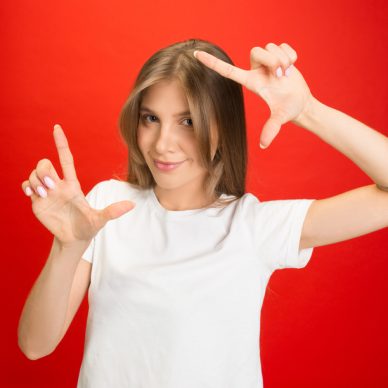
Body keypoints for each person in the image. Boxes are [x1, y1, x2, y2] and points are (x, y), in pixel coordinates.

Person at [17, 39, 388, 388]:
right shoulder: (105, 206)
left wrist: (308, 110)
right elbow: (35, 345)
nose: (162, 144)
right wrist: (68, 246)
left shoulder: (253, 226)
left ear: (222, 127)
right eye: (151, 119)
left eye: (188, 121)